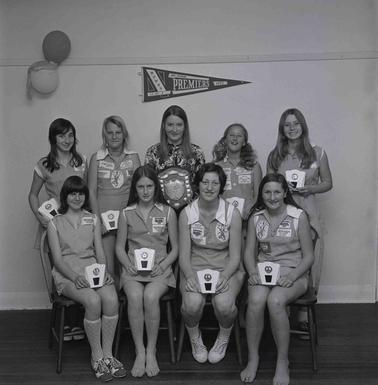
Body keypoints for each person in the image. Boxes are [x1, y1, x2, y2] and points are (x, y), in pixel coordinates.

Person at [47, 176, 126, 382]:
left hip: (92, 270)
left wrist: (105, 271)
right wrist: (75, 277)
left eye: (81, 193)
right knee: (93, 300)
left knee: (110, 298)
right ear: (65, 196)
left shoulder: (92, 219)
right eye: (72, 193)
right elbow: (57, 260)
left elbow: (99, 251)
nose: (77, 197)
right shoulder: (54, 223)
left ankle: (108, 355)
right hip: (67, 274)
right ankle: (97, 356)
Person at [240, 173, 314, 385]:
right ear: (261, 194)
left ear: (284, 193)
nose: (272, 197)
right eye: (267, 192)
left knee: (275, 301)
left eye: (276, 192)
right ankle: (253, 358)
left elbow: (309, 256)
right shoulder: (256, 217)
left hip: (294, 271)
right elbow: (248, 252)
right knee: (255, 301)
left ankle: (282, 361)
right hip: (264, 271)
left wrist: (291, 276)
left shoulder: (298, 216)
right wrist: (253, 272)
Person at [266, 108, 332, 330]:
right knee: (282, 257)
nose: (292, 127)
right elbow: (268, 187)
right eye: (287, 124)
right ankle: (281, 307)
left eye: (296, 123)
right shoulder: (275, 155)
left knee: (308, 261)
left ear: (303, 126)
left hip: (308, 214)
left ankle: (303, 315)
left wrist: (309, 188)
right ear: (282, 129)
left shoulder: (317, 153)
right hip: (280, 215)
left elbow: (328, 182)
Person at [115, 165, 178, 377]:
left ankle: (151, 350)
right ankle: (139, 351)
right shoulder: (126, 213)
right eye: (140, 186)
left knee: (150, 296)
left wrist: (164, 264)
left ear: (155, 187)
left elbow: (176, 247)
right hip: (133, 269)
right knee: (134, 296)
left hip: (159, 269)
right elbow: (119, 247)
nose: (145, 191)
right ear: (135, 188)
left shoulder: (168, 212)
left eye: (149, 186)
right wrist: (127, 264)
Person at [179, 163, 244, 364]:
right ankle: (195, 337)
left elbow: (235, 257)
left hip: (226, 267)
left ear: (221, 186)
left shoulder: (232, 213)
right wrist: (189, 276)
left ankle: (223, 337)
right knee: (192, 304)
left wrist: (225, 276)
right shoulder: (186, 213)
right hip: (194, 267)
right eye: (205, 182)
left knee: (224, 305)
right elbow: (183, 254)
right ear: (197, 185)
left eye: (214, 183)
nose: (209, 187)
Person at [28, 117, 87, 340]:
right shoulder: (44, 164)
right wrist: (40, 217)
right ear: (53, 138)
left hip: (78, 226)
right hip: (56, 226)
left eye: (70, 135)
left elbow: (86, 194)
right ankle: (65, 324)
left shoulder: (81, 162)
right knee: (61, 271)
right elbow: (33, 195)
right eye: (61, 135)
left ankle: (77, 322)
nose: (66, 140)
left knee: (79, 266)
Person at [88, 115, 141, 278]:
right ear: (104, 135)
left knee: (130, 268)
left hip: (129, 221)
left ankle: (128, 303)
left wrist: (136, 220)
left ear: (124, 134)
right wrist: (98, 222)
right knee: (109, 269)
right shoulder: (96, 158)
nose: (114, 136)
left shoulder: (133, 157)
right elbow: (91, 191)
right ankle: (114, 303)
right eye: (110, 133)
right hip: (105, 223)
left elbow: (140, 189)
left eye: (118, 132)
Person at [144, 105, 205, 210]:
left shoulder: (197, 152)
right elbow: (148, 185)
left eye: (179, 125)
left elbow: (202, 185)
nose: (174, 129)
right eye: (170, 125)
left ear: (185, 126)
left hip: (190, 211)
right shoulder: (152, 152)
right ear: (164, 126)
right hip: (160, 211)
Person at [213, 123, 262, 221]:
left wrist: (250, 213)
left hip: (248, 219)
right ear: (225, 140)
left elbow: (258, 195)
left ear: (244, 142)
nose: (235, 138)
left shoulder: (254, 166)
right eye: (231, 135)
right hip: (222, 218)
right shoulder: (216, 166)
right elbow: (213, 194)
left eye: (239, 136)